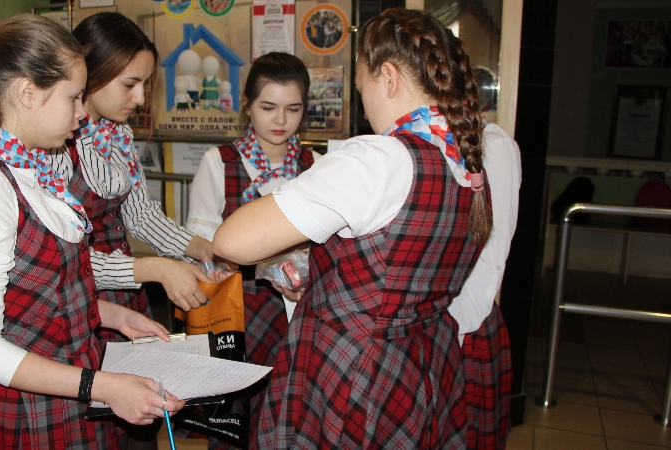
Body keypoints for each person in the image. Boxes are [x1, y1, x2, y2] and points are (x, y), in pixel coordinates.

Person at [212, 8, 493, 448]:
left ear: (388, 77)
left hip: (350, 369)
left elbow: (231, 241)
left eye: (362, 88)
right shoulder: (466, 163)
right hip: (422, 362)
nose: (364, 104)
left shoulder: (376, 159)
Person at [0, 16, 184, 449]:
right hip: (28, 410)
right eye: (73, 97)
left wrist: (111, 315)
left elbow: (37, 297)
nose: (82, 112)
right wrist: (101, 386)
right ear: (28, 93)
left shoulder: (32, 168)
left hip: (71, 390)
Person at [43, 12, 213, 449]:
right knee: (99, 422)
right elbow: (66, 261)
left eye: (145, 84)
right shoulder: (56, 143)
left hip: (124, 294)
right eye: (129, 84)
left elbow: (140, 215)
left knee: (140, 419)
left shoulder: (115, 134)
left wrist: (202, 248)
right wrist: (153, 269)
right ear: (90, 73)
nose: (139, 98)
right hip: (84, 302)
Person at [185, 52, 319, 448]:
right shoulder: (220, 162)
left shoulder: (315, 165)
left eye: (293, 109)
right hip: (239, 310)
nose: (281, 120)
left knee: (290, 415)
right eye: (268, 107)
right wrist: (260, 265)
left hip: (300, 309)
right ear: (247, 104)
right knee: (235, 420)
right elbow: (200, 242)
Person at [449, 122, 521, 449]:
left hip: (462, 324)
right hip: (431, 324)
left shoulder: (492, 144)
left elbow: (491, 253)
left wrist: (458, 326)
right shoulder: (408, 138)